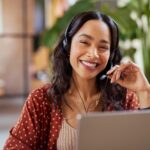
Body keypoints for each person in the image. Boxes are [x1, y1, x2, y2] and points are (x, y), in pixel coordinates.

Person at [4, 11, 150, 150]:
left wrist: (144, 91)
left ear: (111, 55)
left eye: (103, 47)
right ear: (68, 46)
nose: (93, 54)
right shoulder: (41, 100)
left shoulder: (125, 98)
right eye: (85, 42)